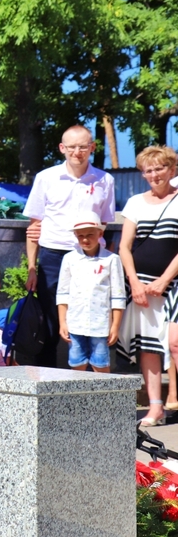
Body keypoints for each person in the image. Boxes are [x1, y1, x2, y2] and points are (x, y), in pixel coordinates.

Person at [23, 125, 116, 368]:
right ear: (62, 148)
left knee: (92, 320)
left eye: (83, 146)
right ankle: (47, 383)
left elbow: (105, 222)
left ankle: (88, 388)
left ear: (92, 148)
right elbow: (35, 225)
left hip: (92, 257)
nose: (77, 152)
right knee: (52, 324)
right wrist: (32, 267)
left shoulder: (106, 180)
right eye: (72, 147)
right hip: (54, 256)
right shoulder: (46, 177)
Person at [119, 146, 178, 426]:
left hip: (174, 284)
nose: (154, 175)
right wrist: (135, 283)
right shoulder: (135, 203)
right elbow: (124, 247)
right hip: (141, 287)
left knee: (176, 343)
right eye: (149, 170)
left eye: (159, 168)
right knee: (149, 346)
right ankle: (156, 407)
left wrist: (164, 280)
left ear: (172, 170)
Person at [56, 212, 125, 374]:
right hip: (75, 322)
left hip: (100, 324)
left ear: (100, 234)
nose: (85, 240)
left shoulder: (111, 260)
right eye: (80, 236)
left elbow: (118, 296)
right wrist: (63, 322)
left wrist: (115, 325)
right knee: (76, 360)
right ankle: (79, 397)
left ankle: (103, 398)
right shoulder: (69, 259)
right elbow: (63, 294)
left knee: (100, 362)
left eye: (90, 235)